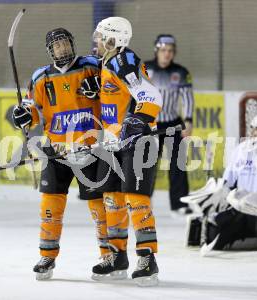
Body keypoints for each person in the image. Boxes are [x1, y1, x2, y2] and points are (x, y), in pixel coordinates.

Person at [11, 28, 105, 280]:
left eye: (65, 44)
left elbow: (116, 91)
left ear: (72, 44)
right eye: (57, 46)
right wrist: (23, 116)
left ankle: (108, 254)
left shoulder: (93, 66)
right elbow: (33, 109)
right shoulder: (41, 77)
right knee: (50, 205)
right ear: (50, 51)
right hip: (57, 150)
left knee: (98, 206)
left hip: (91, 147)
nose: (62, 49)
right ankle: (47, 256)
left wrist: (103, 86)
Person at [90, 16, 163, 286]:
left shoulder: (123, 61)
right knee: (111, 198)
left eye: (100, 37)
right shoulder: (107, 63)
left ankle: (147, 256)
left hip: (136, 142)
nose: (96, 42)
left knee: (135, 198)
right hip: (112, 143)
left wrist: (138, 121)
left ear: (113, 39)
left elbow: (151, 95)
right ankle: (117, 254)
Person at [183, 113, 257, 254]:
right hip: (243, 208)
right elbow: (228, 182)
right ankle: (250, 234)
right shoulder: (241, 149)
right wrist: (219, 194)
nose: (252, 132)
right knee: (214, 235)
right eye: (252, 128)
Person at [145, 34, 194, 215]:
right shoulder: (145, 69)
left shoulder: (181, 72)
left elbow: (187, 98)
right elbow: (135, 95)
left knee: (178, 164)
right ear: (157, 51)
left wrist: (188, 121)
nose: (167, 54)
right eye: (164, 50)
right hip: (151, 124)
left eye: (170, 51)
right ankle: (142, 201)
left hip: (173, 123)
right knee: (146, 164)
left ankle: (180, 203)